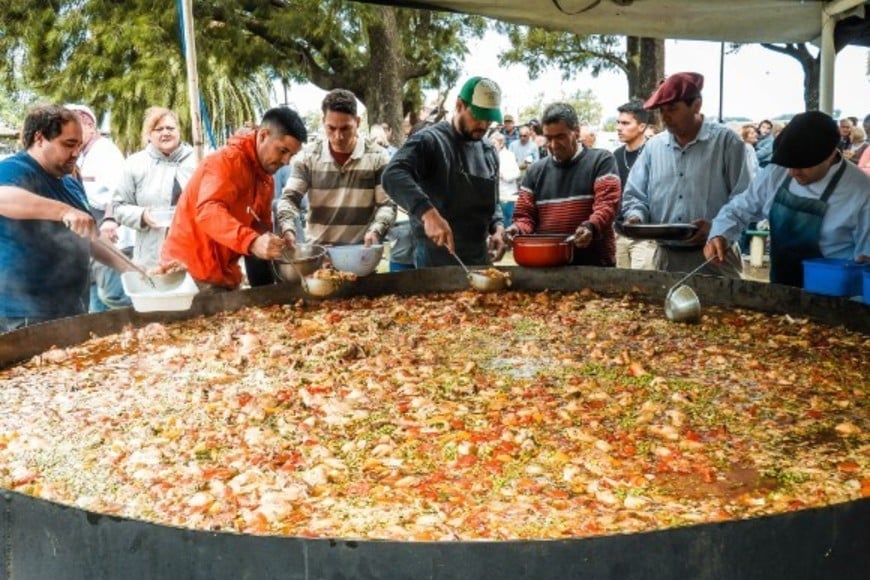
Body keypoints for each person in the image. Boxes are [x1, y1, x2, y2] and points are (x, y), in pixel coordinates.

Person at [0, 105, 134, 331]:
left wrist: (132, 269)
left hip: (71, 307)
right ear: (40, 138)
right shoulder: (15, 169)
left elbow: (91, 237)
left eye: (79, 146)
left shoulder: (71, 182)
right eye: (68, 144)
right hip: (24, 313)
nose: (76, 153)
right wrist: (64, 211)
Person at [704, 111, 870, 287]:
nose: (793, 172)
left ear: (830, 154)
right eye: (789, 164)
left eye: (802, 165)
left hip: (836, 298)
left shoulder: (862, 191)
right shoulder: (776, 172)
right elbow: (739, 209)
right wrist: (720, 233)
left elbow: (866, 260)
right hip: (781, 289)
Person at [620, 72, 753, 278]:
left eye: (672, 109)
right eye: (662, 111)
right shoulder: (653, 147)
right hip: (666, 258)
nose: (665, 117)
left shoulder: (727, 143)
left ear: (696, 105)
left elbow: (745, 198)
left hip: (716, 257)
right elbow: (635, 195)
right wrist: (635, 218)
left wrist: (717, 228)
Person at [161, 107, 307, 291]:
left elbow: (258, 226)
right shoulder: (226, 161)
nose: (286, 161)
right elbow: (208, 212)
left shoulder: (266, 178)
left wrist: (276, 242)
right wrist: (252, 242)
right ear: (263, 136)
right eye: (283, 151)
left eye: (291, 155)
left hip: (225, 275)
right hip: (190, 276)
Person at [382, 76, 507, 267]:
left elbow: (493, 200)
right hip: (435, 258)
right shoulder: (430, 141)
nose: (483, 125)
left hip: (479, 257)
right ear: (459, 105)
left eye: (488, 119)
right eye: (477, 116)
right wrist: (428, 213)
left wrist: (497, 227)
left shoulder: (489, 151)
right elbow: (393, 175)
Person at [502, 102, 621, 267]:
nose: (553, 145)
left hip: (595, 266)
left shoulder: (601, 160)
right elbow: (525, 217)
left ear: (577, 132)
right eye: (548, 138)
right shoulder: (535, 171)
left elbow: (607, 205)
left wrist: (590, 227)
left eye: (560, 137)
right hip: (547, 266)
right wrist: (516, 229)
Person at [276, 89, 395, 250]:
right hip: (319, 255)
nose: (338, 136)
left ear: (358, 122)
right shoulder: (308, 157)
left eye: (345, 128)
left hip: (360, 254)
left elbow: (387, 204)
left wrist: (376, 231)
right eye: (331, 128)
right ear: (323, 121)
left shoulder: (377, 156)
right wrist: (288, 229)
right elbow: (289, 199)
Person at [111, 107, 197, 270]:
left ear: (178, 131)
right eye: (158, 129)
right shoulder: (135, 164)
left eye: (170, 128)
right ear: (149, 135)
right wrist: (142, 215)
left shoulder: (199, 159)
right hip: (151, 257)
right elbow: (118, 207)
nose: (165, 133)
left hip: (194, 253)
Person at [67, 103, 131, 312]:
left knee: (113, 294)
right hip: (91, 236)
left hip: (112, 234)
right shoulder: (83, 154)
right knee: (95, 294)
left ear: (90, 127)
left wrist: (109, 222)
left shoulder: (106, 152)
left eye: (75, 127)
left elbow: (119, 192)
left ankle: (155, 315)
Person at [612, 101, 654, 269]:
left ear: (641, 126)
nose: (619, 128)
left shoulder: (654, 152)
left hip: (645, 233)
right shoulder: (616, 155)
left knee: (642, 287)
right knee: (621, 288)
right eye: (618, 123)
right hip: (620, 232)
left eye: (625, 123)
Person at [489, 132, 521, 227]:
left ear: (501, 144)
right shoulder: (490, 155)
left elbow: (517, 173)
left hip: (508, 195)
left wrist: (503, 176)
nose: (492, 146)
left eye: (494, 143)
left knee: (508, 221)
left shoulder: (509, 155)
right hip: (496, 195)